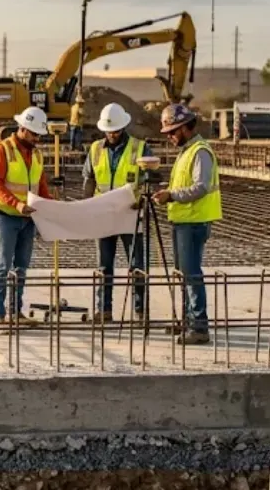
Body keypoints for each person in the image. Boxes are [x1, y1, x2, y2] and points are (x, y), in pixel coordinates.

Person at [152, 103, 222, 345]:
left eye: (172, 132)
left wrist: (171, 195)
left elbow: (200, 187)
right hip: (183, 221)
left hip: (194, 222)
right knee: (183, 273)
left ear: (184, 128)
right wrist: (168, 193)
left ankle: (199, 326)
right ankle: (187, 321)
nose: (169, 136)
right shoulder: (187, 151)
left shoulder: (200, 151)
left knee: (192, 275)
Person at [82, 103, 152, 323]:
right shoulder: (95, 149)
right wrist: (87, 206)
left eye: (115, 130)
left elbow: (149, 179)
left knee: (137, 265)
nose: (111, 134)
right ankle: (103, 310)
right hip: (104, 215)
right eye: (108, 131)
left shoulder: (139, 148)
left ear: (123, 127)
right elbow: (89, 180)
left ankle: (140, 311)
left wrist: (142, 201)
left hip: (130, 214)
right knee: (104, 266)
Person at [0, 106, 53, 325]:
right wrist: (16, 204)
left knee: (21, 268)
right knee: (2, 266)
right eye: (34, 134)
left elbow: (40, 185)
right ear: (23, 128)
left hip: (28, 218)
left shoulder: (36, 154)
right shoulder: (2, 150)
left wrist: (51, 206)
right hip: (6, 216)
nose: (37, 139)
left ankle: (16, 312)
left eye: (39, 135)